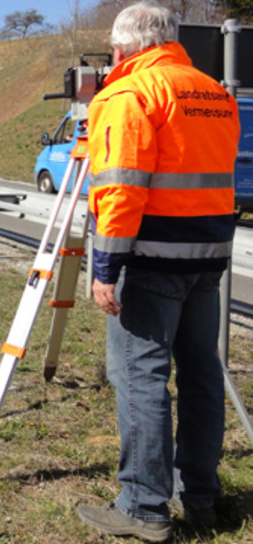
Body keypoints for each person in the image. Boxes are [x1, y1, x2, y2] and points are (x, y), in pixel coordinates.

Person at [76, 2, 239, 542]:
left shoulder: (129, 94)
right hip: (209, 256)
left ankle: (144, 507)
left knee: (141, 377)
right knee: (200, 373)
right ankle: (201, 498)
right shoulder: (215, 92)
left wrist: (105, 265)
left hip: (149, 257)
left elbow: (121, 186)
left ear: (123, 48)